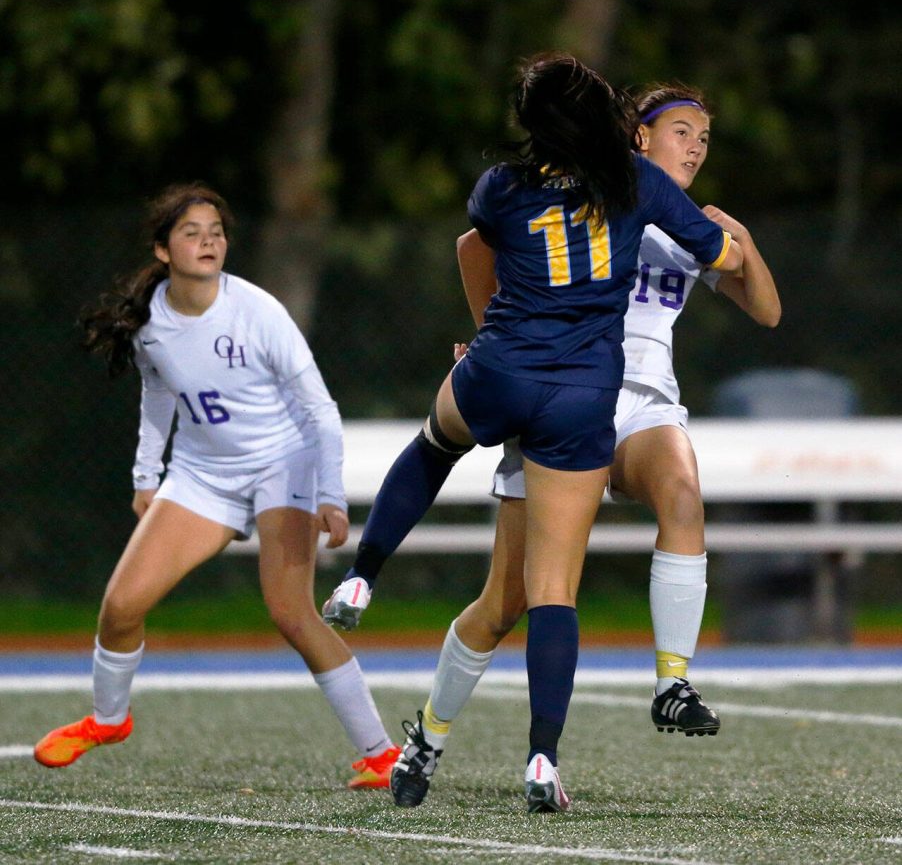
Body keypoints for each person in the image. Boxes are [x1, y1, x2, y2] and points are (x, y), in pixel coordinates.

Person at [328, 53, 743, 812]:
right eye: (681, 131)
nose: (693, 145)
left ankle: (367, 582)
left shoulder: (502, 185)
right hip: (581, 398)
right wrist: (726, 242)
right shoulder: (637, 183)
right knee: (540, 592)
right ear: (626, 130)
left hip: (518, 373)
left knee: (438, 450)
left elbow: (481, 238)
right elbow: (726, 256)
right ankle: (540, 758)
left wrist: (486, 332)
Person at [32, 182, 399, 790]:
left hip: (284, 465)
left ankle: (383, 756)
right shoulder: (150, 322)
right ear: (162, 250)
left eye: (217, 232)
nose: (208, 242)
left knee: (292, 613)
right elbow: (156, 393)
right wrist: (146, 476)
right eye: (191, 233)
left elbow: (318, 410)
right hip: (203, 475)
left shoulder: (257, 311)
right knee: (121, 607)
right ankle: (108, 721)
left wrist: (330, 493)